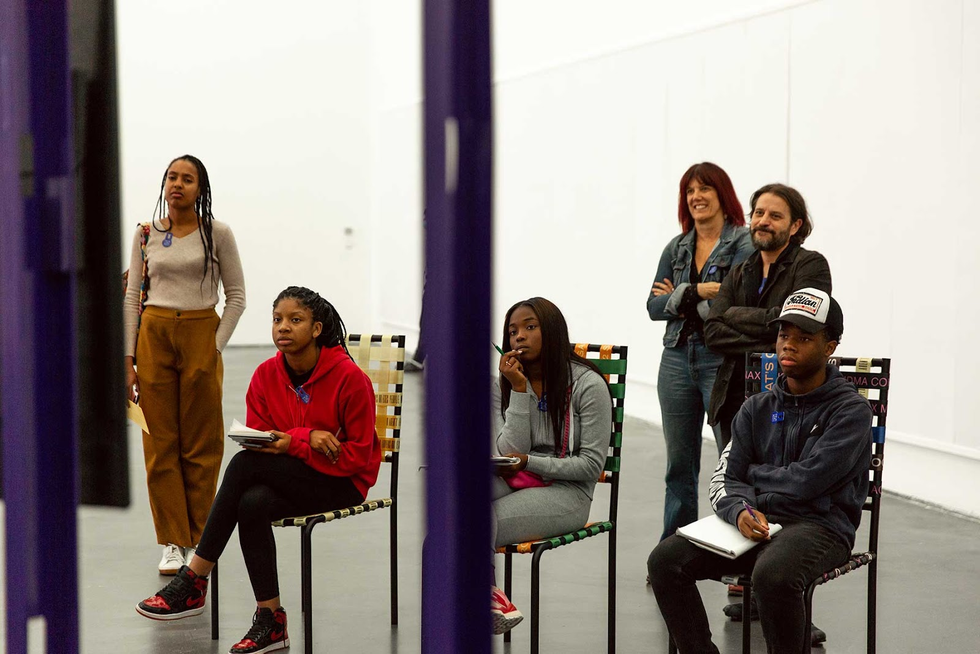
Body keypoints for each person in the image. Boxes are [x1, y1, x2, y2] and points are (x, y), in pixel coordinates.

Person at [136, 286, 382, 654]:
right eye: (277, 320)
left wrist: (293, 443)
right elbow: (264, 444)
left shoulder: (350, 379)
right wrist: (306, 438)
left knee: (244, 465)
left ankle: (195, 579)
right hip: (290, 476)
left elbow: (358, 458)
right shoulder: (265, 375)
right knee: (252, 502)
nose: (283, 327)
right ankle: (271, 620)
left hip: (343, 481)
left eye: (295, 320)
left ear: (316, 329)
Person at [648, 288, 871, 653]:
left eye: (804, 338)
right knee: (665, 560)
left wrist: (755, 479)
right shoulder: (757, 407)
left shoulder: (851, 412)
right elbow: (731, 476)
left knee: (773, 576)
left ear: (830, 347)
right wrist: (740, 510)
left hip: (821, 527)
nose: (789, 345)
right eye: (784, 335)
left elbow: (809, 481)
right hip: (755, 523)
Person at [123, 154, 247, 574]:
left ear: (201, 188)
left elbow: (237, 296)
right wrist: (128, 359)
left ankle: (199, 540)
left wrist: (213, 347)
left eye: (188, 179)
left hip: (199, 334)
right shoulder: (145, 234)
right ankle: (172, 541)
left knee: (201, 444)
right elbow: (131, 299)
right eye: (172, 177)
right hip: (154, 336)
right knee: (159, 443)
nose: (178, 184)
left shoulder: (218, 233)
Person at [490, 297, 612, 634]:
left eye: (530, 327)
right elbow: (511, 450)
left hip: (568, 494)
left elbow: (589, 466)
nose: (519, 337)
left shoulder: (588, 385)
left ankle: (481, 598)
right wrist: (518, 389)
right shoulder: (506, 381)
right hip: (520, 478)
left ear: (553, 331)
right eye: (513, 331)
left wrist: (531, 462)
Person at [646, 162, 753, 541]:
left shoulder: (743, 242)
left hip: (720, 360)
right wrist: (697, 292)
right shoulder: (676, 248)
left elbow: (730, 305)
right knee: (679, 464)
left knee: (733, 457)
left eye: (704, 188)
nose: (696, 197)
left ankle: (738, 548)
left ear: (722, 195)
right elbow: (652, 307)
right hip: (676, 358)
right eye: (690, 191)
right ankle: (673, 550)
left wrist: (679, 296)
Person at [704, 183, 832, 448]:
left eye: (775, 216)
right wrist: (770, 340)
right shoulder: (739, 270)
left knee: (779, 480)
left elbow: (798, 326)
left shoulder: (811, 265)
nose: (763, 221)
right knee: (733, 481)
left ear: (795, 226)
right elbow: (713, 332)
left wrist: (734, 314)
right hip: (734, 398)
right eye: (759, 213)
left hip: (789, 396)